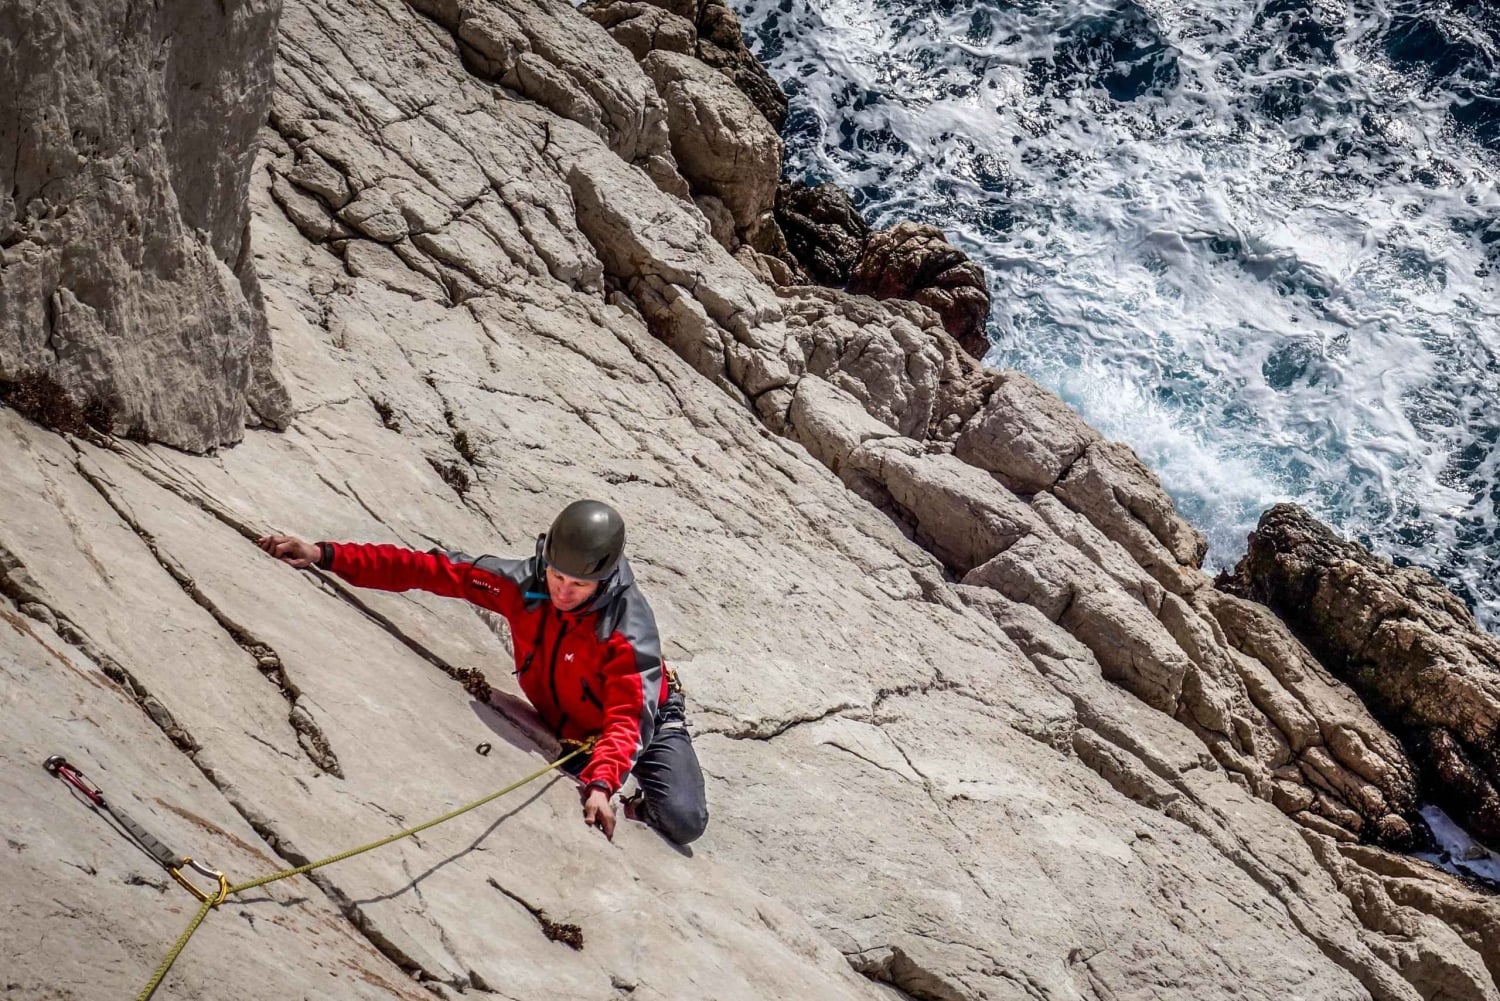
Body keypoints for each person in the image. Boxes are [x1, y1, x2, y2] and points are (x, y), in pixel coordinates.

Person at [256, 499, 708, 846]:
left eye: (578, 585)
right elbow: (433, 570)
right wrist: (324, 553)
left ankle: (639, 801)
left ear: (606, 580)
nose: (562, 592)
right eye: (556, 577)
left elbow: (629, 718)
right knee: (583, 758)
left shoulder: (627, 630)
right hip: (569, 716)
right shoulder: (525, 585)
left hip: (645, 717)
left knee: (684, 819)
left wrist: (603, 785)